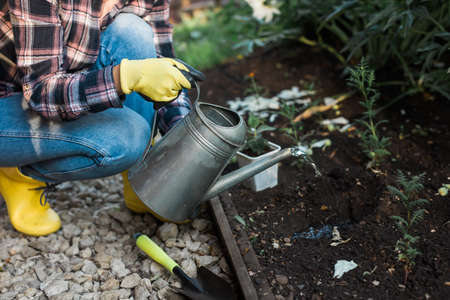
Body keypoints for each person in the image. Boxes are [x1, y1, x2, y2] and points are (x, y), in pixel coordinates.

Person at [0, 0, 194, 236]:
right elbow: (42, 92)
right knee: (126, 137)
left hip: (53, 84)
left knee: (133, 31)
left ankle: (142, 178)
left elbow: (164, 66)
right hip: (10, 103)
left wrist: (187, 142)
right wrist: (124, 77)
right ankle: (19, 174)